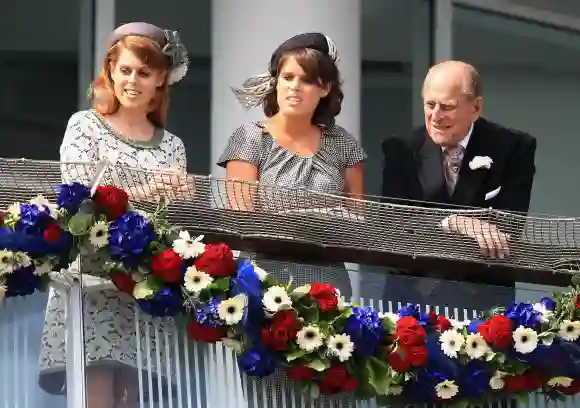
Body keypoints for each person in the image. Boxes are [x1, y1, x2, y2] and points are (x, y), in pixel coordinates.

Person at [38, 22, 190, 408]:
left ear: (161, 79)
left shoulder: (173, 146)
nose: (133, 80)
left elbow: (173, 224)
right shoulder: (85, 126)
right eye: (124, 70)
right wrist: (154, 190)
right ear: (110, 71)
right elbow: (77, 202)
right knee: (96, 396)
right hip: (90, 283)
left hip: (144, 285)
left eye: (144, 72)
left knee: (133, 399)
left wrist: (186, 199)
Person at [219, 32, 366, 408]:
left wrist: (325, 221)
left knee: (331, 392)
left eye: (306, 80)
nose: (294, 87)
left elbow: (359, 220)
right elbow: (242, 221)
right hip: (266, 285)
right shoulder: (250, 138)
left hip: (329, 287)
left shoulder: (343, 144)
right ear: (276, 81)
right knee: (271, 396)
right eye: (287, 77)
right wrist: (311, 219)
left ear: (325, 88)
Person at [375, 60, 537, 311]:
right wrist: (457, 222)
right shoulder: (400, 149)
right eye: (430, 105)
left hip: (483, 304)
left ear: (476, 107)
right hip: (411, 304)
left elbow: (508, 229)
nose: (436, 116)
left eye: (447, 107)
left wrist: (438, 226)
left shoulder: (514, 148)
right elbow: (393, 226)